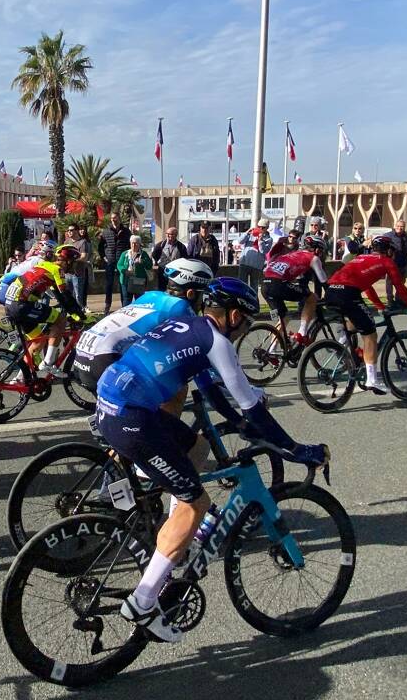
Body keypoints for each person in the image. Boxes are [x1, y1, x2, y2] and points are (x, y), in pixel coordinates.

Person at [94, 277, 327, 643]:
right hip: (131, 417)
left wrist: (239, 426)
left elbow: (213, 394)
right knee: (197, 502)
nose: (244, 331)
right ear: (234, 316)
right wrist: (297, 451)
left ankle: (175, 535)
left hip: (114, 401)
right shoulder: (217, 342)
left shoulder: (190, 326)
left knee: (197, 448)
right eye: (246, 323)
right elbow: (252, 406)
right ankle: (142, 602)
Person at [72, 259, 213, 391]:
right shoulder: (179, 306)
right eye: (203, 295)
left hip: (82, 355)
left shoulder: (151, 295)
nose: (204, 301)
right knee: (176, 385)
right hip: (104, 358)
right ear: (191, 293)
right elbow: (202, 352)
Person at [324, 236, 407, 394]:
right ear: (389, 250)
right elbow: (400, 287)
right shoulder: (386, 261)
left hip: (331, 291)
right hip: (348, 293)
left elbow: (367, 287)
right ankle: (372, 379)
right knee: (370, 334)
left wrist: (379, 305)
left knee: (354, 321)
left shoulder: (361, 257)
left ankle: (344, 344)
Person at [3, 245, 86, 376]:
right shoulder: (58, 270)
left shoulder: (45, 266)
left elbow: (59, 296)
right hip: (21, 305)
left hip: (11, 305)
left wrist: (75, 312)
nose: (74, 267)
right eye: (74, 263)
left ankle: (20, 378)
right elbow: (65, 295)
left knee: (38, 340)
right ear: (67, 261)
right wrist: (79, 314)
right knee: (60, 319)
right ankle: (48, 363)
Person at [259, 242, 328, 342]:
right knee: (311, 297)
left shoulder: (293, 254)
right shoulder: (314, 258)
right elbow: (323, 280)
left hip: (265, 285)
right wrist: (331, 295)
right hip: (277, 284)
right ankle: (302, 333)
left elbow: (298, 280)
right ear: (317, 250)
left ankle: (271, 350)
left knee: (283, 318)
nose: (321, 254)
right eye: (321, 251)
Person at [97, 212, 130, 312]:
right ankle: (107, 306)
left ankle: (124, 306)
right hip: (109, 261)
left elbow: (130, 246)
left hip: (122, 261)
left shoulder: (126, 232)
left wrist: (127, 258)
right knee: (109, 284)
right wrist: (104, 257)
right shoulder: (106, 232)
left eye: (115, 218)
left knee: (123, 283)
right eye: (112, 218)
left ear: (119, 218)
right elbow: (101, 247)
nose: (113, 220)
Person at [116, 235, 152, 306]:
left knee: (139, 300)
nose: (134, 245)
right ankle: (125, 315)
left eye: (136, 243)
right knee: (126, 300)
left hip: (139, 281)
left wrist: (142, 262)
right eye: (132, 243)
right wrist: (124, 271)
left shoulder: (143, 254)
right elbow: (119, 265)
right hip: (126, 280)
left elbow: (149, 266)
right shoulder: (125, 253)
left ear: (139, 244)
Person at [151, 226, 186, 291]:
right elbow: (153, 256)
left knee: (173, 291)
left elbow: (185, 259)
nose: (169, 236)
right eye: (167, 234)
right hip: (162, 272)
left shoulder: (181, 247)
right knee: (161, 290)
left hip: (175, 273)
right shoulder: (160, 245)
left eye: (171, 234)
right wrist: (156, 264)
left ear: (176, 235)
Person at [236, 225, 268, 294]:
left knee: (254, 288)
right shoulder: (251, 234)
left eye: (263, 227)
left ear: (267, 228)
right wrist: (247, 232)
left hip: (256, 266)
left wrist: (260, 240)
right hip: (245, 263)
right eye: (259, 227)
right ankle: (241, 302)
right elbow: (240, 241)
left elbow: (263, 251)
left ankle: (254, 302)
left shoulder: (269, 239)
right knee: (241, 285)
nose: (260, 229)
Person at [68, 225, 92, 309]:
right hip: (67, 273)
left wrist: (72, 260)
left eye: (71, 230)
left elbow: (84, 257)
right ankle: (69, 315)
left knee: (78, 297)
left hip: (78, 273)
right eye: (68, 230)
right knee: (68, 296)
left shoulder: (82, 242)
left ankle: (80, 316)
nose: (69, 232)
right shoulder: (66, 242)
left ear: (77, 231)